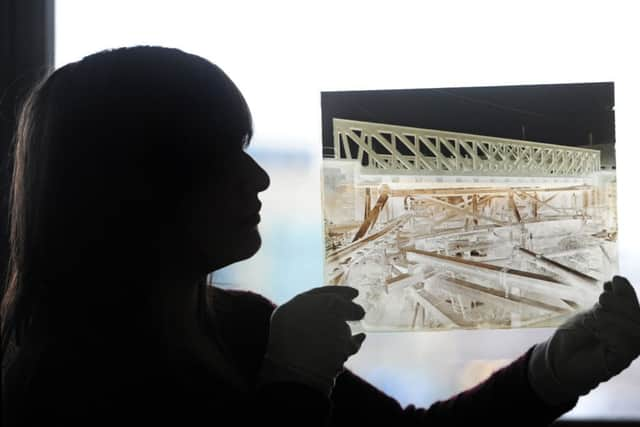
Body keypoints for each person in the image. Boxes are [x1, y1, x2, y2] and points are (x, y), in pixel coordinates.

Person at [1, 46, 639, 426]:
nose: (257, 177)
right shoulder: (56, 388)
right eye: (223, 154)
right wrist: (294, 384)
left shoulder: (247, 326)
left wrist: (552, 374)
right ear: (142, 181)